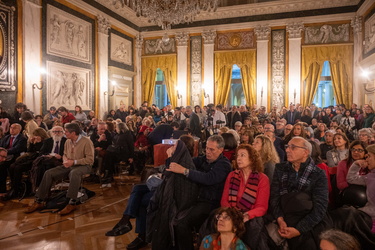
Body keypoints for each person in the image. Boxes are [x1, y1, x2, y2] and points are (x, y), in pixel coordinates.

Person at [105, 135, 195, 250]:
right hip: (162, 187)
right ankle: (126, 220)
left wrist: (169, 157)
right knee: (137, 189)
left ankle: (137, 231)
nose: (172, 147)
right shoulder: (177, 158)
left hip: (170, 195)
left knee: (143, 200)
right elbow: (165, 171)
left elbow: (172, 178)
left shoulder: (187, 162)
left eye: (175, 146)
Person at [164, 135, 232, 250]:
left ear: (220, 150)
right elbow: (182, 164)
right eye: (206, 148)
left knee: (182, 223)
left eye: (212, 149)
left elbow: (208, 178)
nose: (208, 152)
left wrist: (184, 171)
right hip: (195, 198)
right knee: (169, 212)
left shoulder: (224, 165)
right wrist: (172, 156)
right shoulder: (203, 159)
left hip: (210, 203)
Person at [269, 136, 328, 250]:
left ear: (305, 152)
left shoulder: (318, 174)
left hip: (308, 218)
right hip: (284, 216)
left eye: (293, 147)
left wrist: (299, 229)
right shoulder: (280, 168)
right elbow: (274, 197)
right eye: (287, 147)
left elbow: (320, 208)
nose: (287, 150)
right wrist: (280, 220)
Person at [25, 123, 94, 215]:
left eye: (66, 132)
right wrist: (65, 159)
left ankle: (71, 202)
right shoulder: (68, 141)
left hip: (84, 166)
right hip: (70, 164)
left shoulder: (86, 142)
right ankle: (39, 201)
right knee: (49, 173)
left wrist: (74, 162)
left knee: (74, 173)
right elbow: (65, 154)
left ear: (73, 133)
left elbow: (90, 159)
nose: (65, 133)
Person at [220, 144, 270, 249]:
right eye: (237, 155)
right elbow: (224, 201)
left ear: (252, 159)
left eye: (242, 155)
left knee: (253, 226)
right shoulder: (232, 175)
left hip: (250, 215)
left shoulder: (262, 178)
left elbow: (262, 207)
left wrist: (247, 215)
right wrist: (232, 214)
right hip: (232, 212)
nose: (238, 158)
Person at [4, 128, 50, 200]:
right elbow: (29, 152)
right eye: (34, 135)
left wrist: (39, 143)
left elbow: (41, 153)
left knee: (18, 168)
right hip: (30, 158)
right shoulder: (34, 141)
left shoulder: (46, 142)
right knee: (12, 166)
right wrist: (31, 143)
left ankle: (15, 189)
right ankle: (14, 186)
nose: (35, 137)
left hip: (38, 161)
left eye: (37, 135)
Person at [30, 126, 67, 192]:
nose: (56, 133)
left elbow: (68, 153)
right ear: (51, 133)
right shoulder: (48, 141)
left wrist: (61, 156)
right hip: (48, 159)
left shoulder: (66, 141)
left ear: (63, 133)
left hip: (60, 160)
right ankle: (40, 187)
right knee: (40, 166)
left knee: (45, 165)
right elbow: (41, 153)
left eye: (59, 132)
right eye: (54, 132)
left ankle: (42, 188)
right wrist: (52, 155)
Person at [0, 123, 27, 195]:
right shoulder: (6, 137)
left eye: (14, 128)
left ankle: (5, 189)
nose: (12, 129)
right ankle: (2, 189)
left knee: (2, 166)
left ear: (19, 130)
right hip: (4, 156)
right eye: (11, 127)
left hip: (15, 157)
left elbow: (17, 149)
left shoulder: (22, 138)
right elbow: (1, 146)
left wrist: (5, 151)